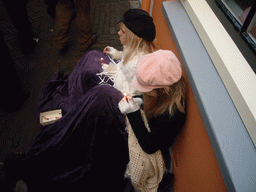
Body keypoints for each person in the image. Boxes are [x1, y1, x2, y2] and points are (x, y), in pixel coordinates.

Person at [2, 9, 157, 192]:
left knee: (96, 82)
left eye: (123, 32)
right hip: (118, 83)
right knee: (92, 59)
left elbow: (127, 90)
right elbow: (125, 58)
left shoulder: (141, 66)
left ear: (136, 38)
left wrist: (108, 70)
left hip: (120, 102)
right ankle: (74, 100)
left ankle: (64, 129)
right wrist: (115, 55)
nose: (118, 33)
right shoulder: (136, 49)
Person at [118, 50, 187, 191]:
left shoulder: (172, 115)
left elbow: (149, 147)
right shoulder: (166, 88)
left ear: (165, 89)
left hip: (152, 148)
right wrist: (141, 102)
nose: (143, 92)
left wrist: (134, 114)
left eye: (147, 89)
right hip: (149, 128)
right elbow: (152, 98)